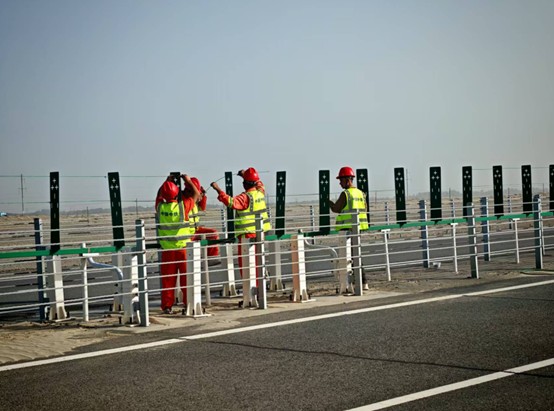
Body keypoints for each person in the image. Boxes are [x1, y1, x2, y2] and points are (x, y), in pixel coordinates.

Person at [210, 167, 271, 283]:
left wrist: (217, 188)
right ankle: (260, 286)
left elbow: (230, 202)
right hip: (261, 233)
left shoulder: (245, 197)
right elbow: (259, 183)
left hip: (247, 235)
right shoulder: (260, 192)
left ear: (244, 184)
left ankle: (252, 289)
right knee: (258, 261)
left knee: (247, 265)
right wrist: (245, 175)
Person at [156, 174, 200, 314]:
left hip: (167, 251)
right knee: (186, 279)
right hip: (183, 249)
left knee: (168, 280)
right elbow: (197, 195)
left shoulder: (160, 207)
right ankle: (188, 304)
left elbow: (158, 196)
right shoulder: (183, 207)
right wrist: (187, 180)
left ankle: (167, 306)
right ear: (177, 194)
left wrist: (166, 181)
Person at [330, 166, 369, 290]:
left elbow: (336, 208)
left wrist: (328, 202)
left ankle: (354, 284)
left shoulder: (346, 194)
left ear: (348, 180)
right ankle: (363, 282)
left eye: (341, 180)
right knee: (356, 255)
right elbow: (365, 209)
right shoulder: (360, 193)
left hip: (348, 229)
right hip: (359, 228)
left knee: (350, 257)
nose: (340, 183)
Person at [185, 177, 220, 262]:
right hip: (187, 232)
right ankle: (192, 261)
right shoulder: (183, 200)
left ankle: (211, 259)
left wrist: (203, 197)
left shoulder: (194, 200)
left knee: (212, 234)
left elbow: (202, 208)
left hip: (196, 230)